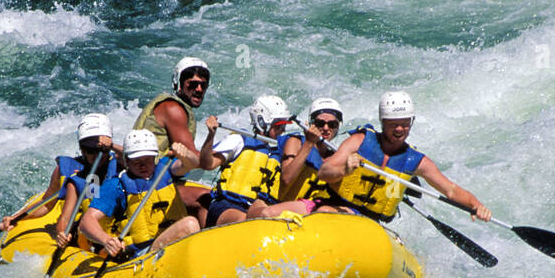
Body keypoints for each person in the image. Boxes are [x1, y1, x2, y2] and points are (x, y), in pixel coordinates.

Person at [311, 91, 491, 222]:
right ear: (383, 122)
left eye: (404, 124)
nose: (399, 129)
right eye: (393, 124)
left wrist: (476, 205)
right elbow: (324, 172)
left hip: (373, 222)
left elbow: (451, 190)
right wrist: (345, 169)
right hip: (337, 207)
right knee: (325, 211)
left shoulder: (416, 161)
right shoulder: (359, 141)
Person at [65, 128, 200, 258]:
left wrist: (186, 154)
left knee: (191, 224)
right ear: (127, 161)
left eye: (147, 159)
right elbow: (87, 221)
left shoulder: (167, 168)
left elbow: (192, 164)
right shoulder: (116, 186)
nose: (143, 165)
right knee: (189, 224)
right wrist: (106, 240)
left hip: (174, 243)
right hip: (143, 252)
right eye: (136, 161)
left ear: (155, 157)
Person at [198, 95, 315, 228]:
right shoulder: (239, 140)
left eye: (284, 125)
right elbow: (208, 164)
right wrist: (211, 136)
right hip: (227, 207)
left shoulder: (282, 150)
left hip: (259, 210)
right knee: (250, 221)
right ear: (261, 122)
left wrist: (310, 139)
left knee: (265, 218)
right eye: (278, 125)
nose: (282, 130)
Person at [0, 113, 120, 232]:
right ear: (82, 150)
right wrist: (16, 218)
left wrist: (112, 145)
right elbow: (47, 204)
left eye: (101, 150)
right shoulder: (68, 170)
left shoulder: (123, 164)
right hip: (82, 226)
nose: (96, 155)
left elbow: (135, 157)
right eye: (90, 150)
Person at [133, 56, 219, 216]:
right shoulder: (173, 109)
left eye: (203, 85)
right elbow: (193, 156)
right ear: (179, 84)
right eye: (192, 84)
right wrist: (226, 157)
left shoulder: (175, 105)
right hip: (147, 181)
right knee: (208, 199)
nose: (199, 89)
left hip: (158, 176)